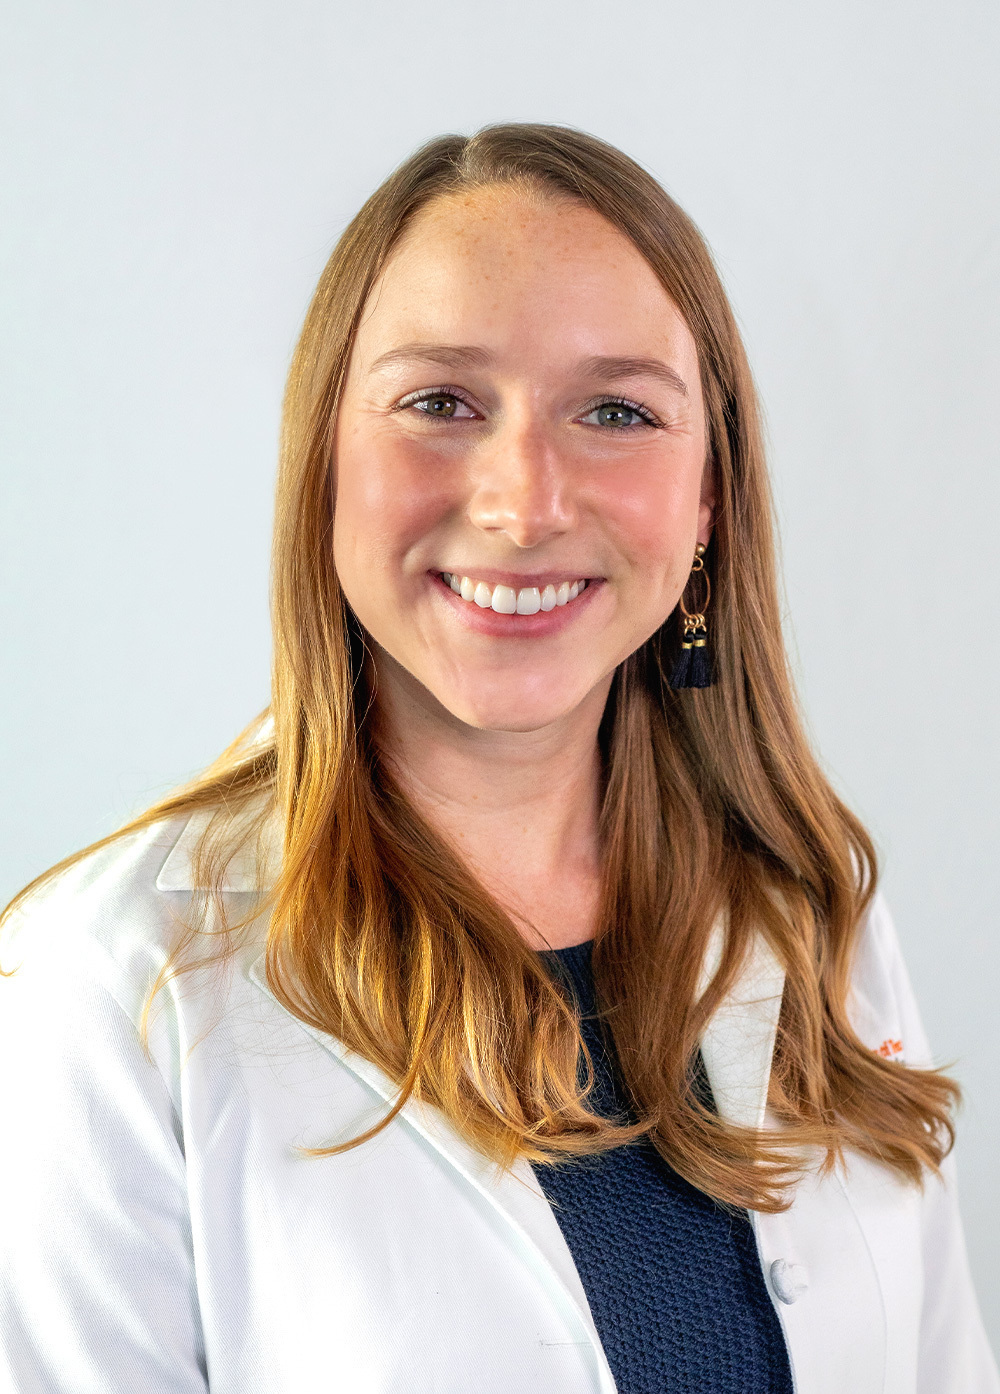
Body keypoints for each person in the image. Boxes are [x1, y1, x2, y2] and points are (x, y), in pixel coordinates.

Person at [0, 123, 995, 1394]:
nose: (524, 505)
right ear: (324, 460)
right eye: (440, 402)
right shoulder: (104, 987)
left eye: (617, 410)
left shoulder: (808, 907)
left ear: (707, 501)